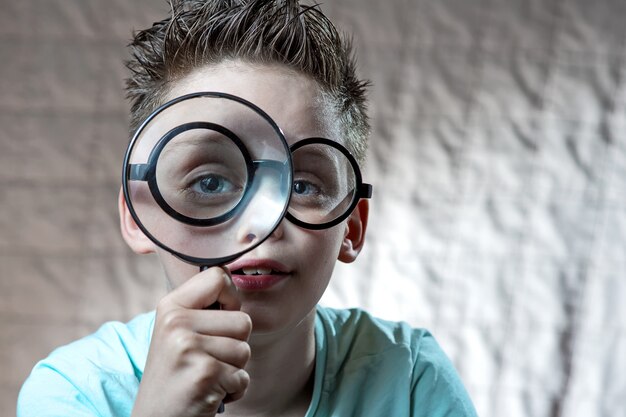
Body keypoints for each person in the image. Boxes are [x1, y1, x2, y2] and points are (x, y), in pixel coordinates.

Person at [17, 1, 478, 416]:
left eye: (302, 184)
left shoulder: (413, 380)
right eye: (210, 182)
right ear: (141, 215)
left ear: (353, 227)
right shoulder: (74, 391)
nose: (264, 222)